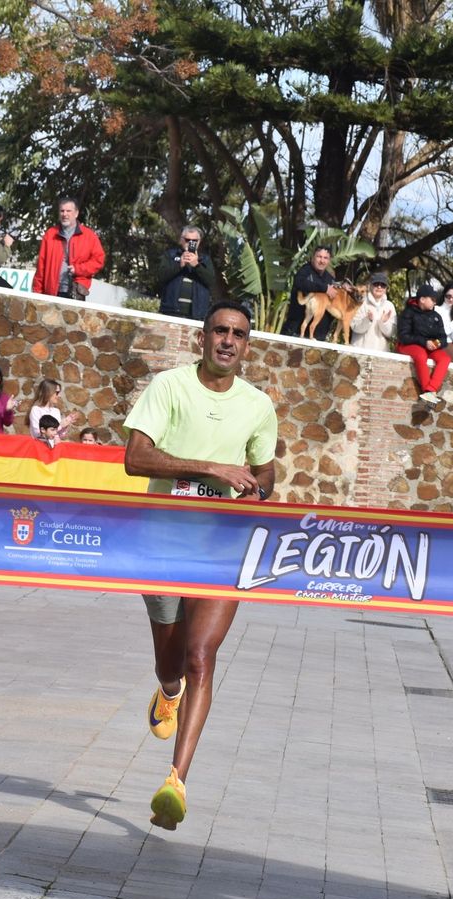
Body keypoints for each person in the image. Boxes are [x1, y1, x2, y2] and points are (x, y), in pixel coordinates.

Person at [121, 301, 277, 831]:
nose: (228, 340)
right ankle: (167, 694)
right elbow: (135, 458)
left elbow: (265, 474)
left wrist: (256, 489)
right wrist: (209, 468)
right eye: (219, 331)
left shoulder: (258, 405)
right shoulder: (169, 388)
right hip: (162, 542)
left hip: (220, 548)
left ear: (247, 346)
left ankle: (176, 782)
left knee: (200, 656)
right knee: (171, 664)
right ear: (202, 338)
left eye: (237, 334)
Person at [32, 197, 105, 301]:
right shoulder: (50, 234)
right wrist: (37, 293)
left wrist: (78, 269)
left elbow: (99, 261)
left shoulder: (89, 236)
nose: (64, 214)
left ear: (76, 213)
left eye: (68, 211)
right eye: (62, 211)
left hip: (76, 292)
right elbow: (41, 266)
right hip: (52, 292)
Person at [397, 284, 453, 406]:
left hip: (430, 348)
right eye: (432, 300)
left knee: (445, 358)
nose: (435, 303)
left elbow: (443, 338)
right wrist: (424, 342)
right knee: (420, 354)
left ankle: (430, 390)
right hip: (409, 345)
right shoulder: (408, 313)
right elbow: (404, 336)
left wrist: (437, 343)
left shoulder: (436, 316)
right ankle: (427, 390)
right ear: (422, 299)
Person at [156, 225, 217, 320]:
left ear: (199, 242)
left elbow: (211, 281)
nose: (190, 243)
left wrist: (197, 265)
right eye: (187, 240)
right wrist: (179, 265)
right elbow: (161, 277)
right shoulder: (171, 255)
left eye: (194, 241)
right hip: (171, 312)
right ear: (181, 240)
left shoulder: (205, 259)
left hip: (197, 314)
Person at [281, 246, 339, 340]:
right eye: (319, 257)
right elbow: (300, 283)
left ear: (329, 260)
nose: (322, 261)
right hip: (295, 333)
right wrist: (324, 288)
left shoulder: (330, 279)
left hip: (319, 337)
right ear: (313, 257)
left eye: (325, 258)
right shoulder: (304, 271)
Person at [349, 273, 397, 353]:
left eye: (383, 285)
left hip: (381, 354)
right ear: (370, 286)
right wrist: (367, 320)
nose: (379, 287)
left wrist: (383, 322)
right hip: (359, 352)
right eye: (376, 284)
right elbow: (354, 327)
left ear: (386, 288)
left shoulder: (390, 306)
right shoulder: (361, 302)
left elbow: (391, 333)